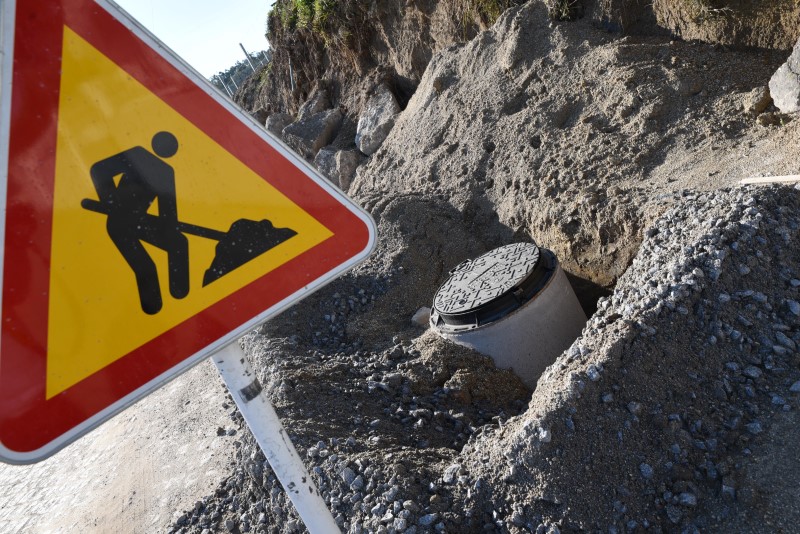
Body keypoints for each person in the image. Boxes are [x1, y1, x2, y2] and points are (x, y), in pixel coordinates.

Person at [87, 131, 189, 314]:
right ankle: (153, 310)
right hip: (119, 224)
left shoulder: (165, 172)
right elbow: (98, 170)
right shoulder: (137, 156)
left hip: (140, 222)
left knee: (179, 243)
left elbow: (168, 215)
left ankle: (181, 295)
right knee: (147, 266)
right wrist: (111, 201)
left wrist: (170, 230)